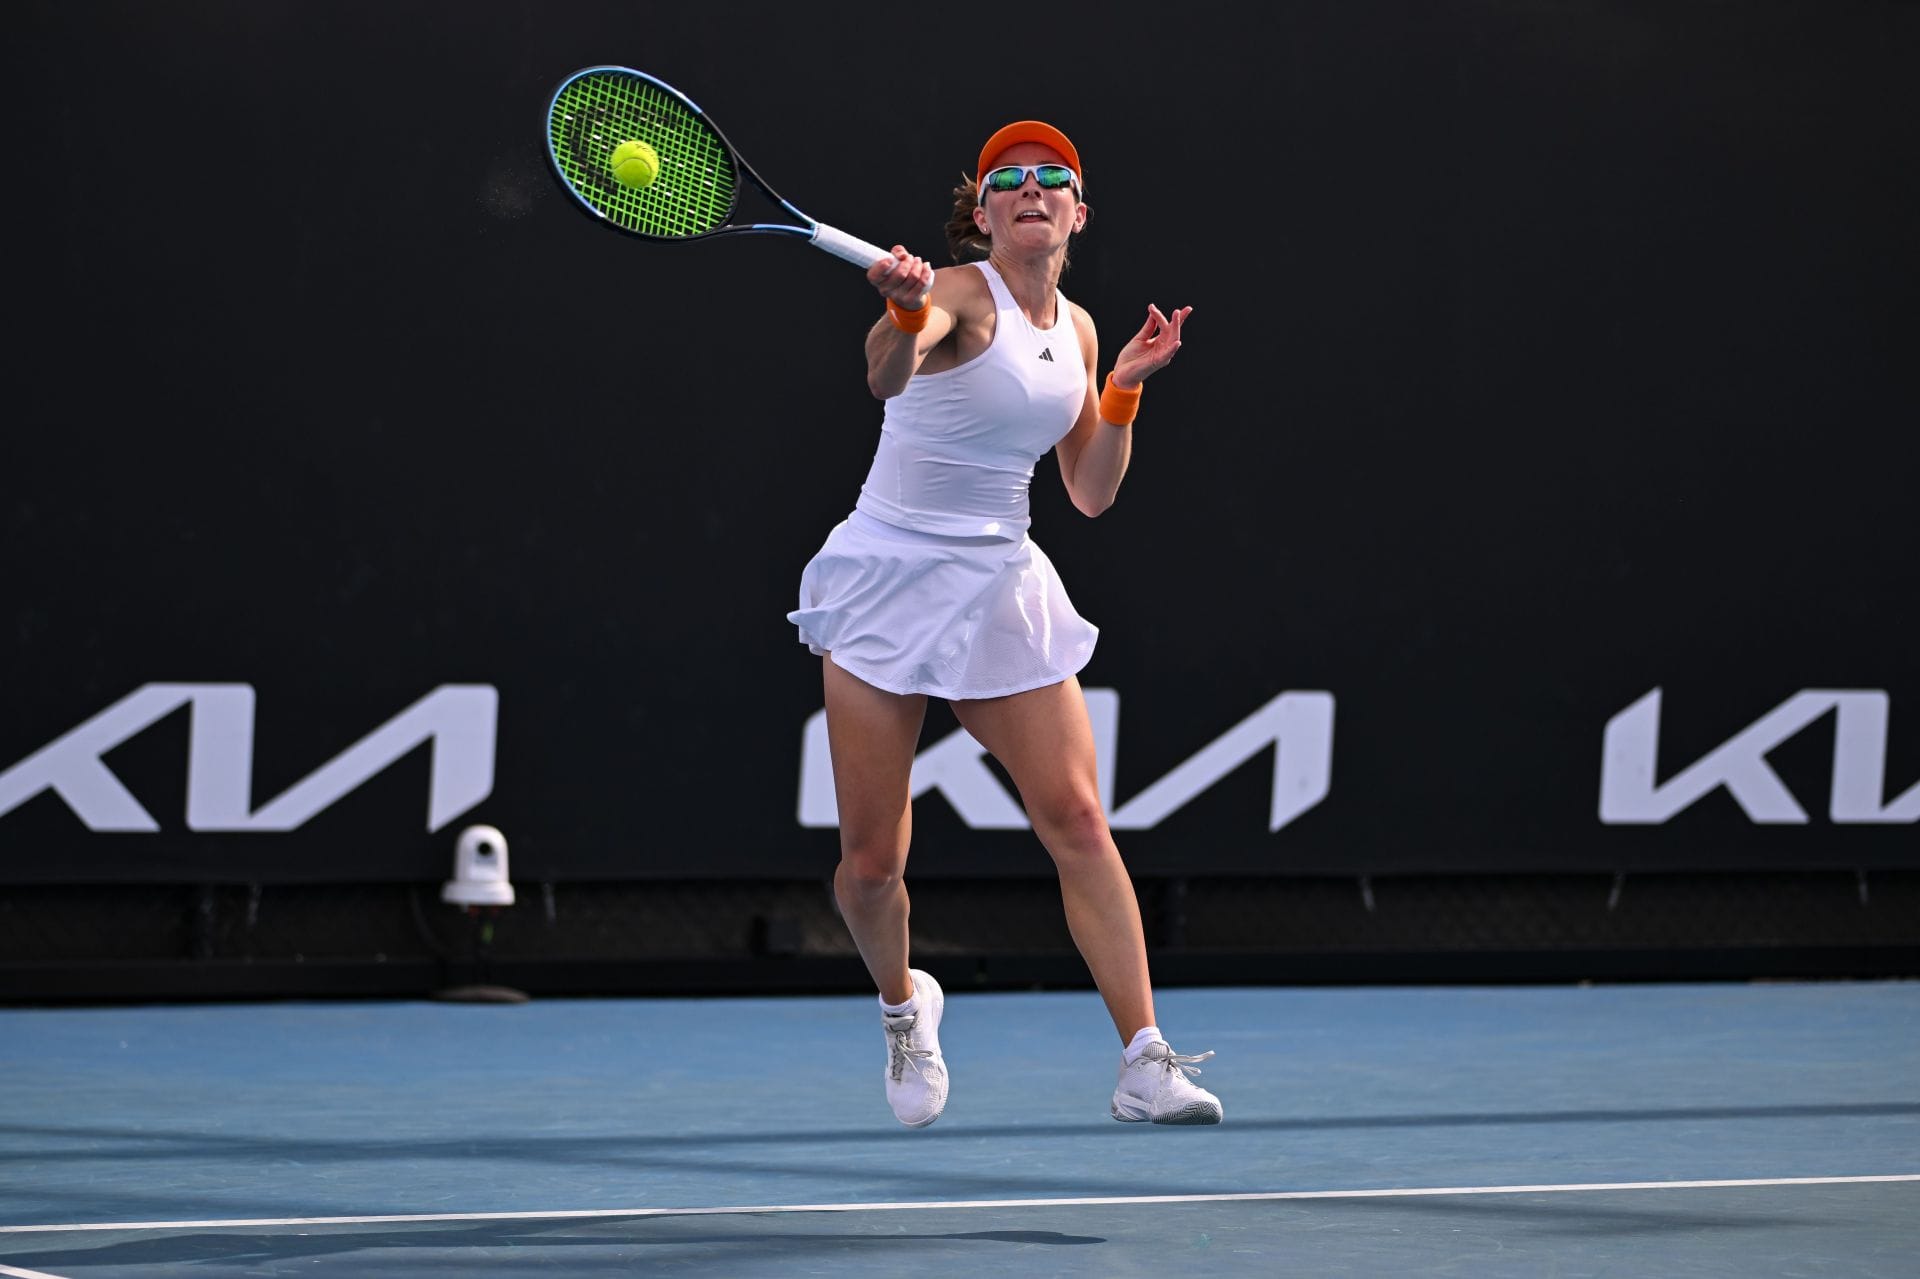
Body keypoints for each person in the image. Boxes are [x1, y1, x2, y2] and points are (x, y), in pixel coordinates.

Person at [788, 121, 1220, 1128]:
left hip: (999, 584)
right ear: (982, 214)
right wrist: (902, 312)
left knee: (1076, 818)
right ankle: (904, 1004)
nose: (1032, 188)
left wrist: (1122, 390)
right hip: (888, 575)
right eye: (1008, 181)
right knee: (869, 867)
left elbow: (1090, 492)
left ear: (1077, 211)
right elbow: (886, 374)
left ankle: (1144, 1060)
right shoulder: (954, 295)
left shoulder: (1076, 330)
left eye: (1052, 179)